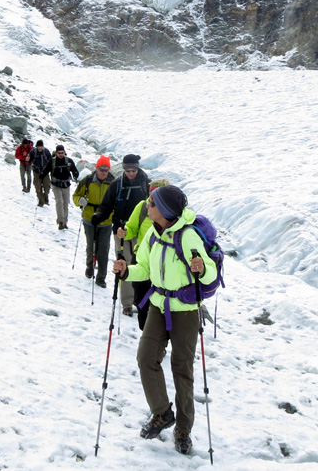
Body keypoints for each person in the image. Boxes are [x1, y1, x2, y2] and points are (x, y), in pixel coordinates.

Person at [112, 185, 217, 456]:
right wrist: (126, 272)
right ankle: (162, 413)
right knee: (146, 358)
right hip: (159, 306)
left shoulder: (189, 236)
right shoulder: (152, 233)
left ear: (166, 210)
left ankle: (183, 429)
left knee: (182, 369)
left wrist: (202, 268)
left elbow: (209, 274)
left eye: (152, 203)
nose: (147, 205)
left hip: (185, 310)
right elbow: (144, 268)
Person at [92, 154, 150, 316]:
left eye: (134, 170)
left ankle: (140, 299)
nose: (131, 173)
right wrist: (99, 216)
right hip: (121, 230)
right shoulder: (117, 184)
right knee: (123, 263)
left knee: (141, 264)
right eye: (128, 170)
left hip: (142, 232)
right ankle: (127, 302)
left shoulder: (147, 184)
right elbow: (107, 205)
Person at [116, 178, 169, 330]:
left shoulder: (172, 212)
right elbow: (132, 228)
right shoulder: (143, 207)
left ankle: (156, 336)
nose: (153, 198)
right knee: (141, 297)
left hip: (162, 260)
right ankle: (146, 332)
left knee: (159, 298)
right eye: (152, 193)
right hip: (141, 257)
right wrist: (125, 232)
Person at [73, 155, 114, 287]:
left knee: (104, 248)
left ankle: (101, 277)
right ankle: (90, 267)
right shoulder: (87, 180)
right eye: (101, 169)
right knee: (91, 246)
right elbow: (76, 195)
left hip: (106, 220)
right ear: (96, 168)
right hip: (89, 218)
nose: (103, 172)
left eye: (106, 169)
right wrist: (79, 201)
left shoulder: (113, 182)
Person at [50, 144, 79, 229]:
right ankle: (60, 222)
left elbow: (74, 170)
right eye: (59, 153)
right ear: (56, 153)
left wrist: (76, 175)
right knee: (59, 202)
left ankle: (65, 222)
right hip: (56, 185)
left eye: (62, 153)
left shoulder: (68, 161)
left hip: (66, 184)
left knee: (65, 203)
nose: (60, 154)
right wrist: (41, 177)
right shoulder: (52, 161)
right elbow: (46, 170)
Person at [30, 139, 52, 207]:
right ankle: (41, 201)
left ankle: (45, 198)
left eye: (41, 146)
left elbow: (50, 161)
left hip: (45, 172)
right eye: (38, 146)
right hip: (36, 171)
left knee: (47, 186)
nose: (40, 148)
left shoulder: (46, 152)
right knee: (37, 186)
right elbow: (30, 160)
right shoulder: (33, 152)